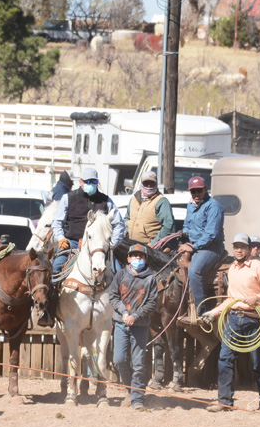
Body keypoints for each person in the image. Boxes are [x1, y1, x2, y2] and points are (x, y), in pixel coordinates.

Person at [203, 233, 260, 413]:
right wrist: (213, 313)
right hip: (233, 319)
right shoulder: (232, 269)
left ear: (249, 249)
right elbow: (231, 298)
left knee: (259, 362)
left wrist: (257, 297)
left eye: (242, 247)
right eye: (236, 247)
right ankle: (224, 401)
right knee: (225, 359)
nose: (238, 250)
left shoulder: (259, 267)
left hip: (254, 318)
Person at [107, 242, 158, 409]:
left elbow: (152, 303)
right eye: (135, 256)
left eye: (141, 256)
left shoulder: (150, 278)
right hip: (121, 324)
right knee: (119, 360)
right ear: (128, 259)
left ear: (146, 260)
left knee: (138, 363)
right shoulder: (120, 275)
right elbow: (113, 297)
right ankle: (131, 389)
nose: (138, 259)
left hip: (140, 326)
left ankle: (137, 399)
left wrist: (135, 316)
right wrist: (124, 313)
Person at [51, 165, 127, 276]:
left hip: (100, 245)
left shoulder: (106, 200)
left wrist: (112, 244)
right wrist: (61, 238)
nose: (91, 184)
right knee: (56, 267)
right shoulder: (68, 198)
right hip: (72, 243)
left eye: (94, 181)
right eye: (87, 181)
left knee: (118, 273)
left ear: (97, 182)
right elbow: (57, 222)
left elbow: (119, 224)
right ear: (81, 182)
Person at [182, 176, 225, 314]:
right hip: (192, 244)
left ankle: (202, 312)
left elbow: (211, 234)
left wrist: (194, 246)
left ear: (206, 189)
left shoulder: (214, 207)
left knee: (194, 272)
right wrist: (184, 233)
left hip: (210, 247)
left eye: (199, 191)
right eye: (193, 191)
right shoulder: (190, 205)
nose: (196, 194)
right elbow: (186, 224)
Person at [125, 170, 175, 246]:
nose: (149, 186)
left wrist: (154, 243)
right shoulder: (133, 199)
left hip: (150, 247)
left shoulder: (161, 201)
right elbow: (127, 218)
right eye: (146, 183)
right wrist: (128, 230)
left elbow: (168, 226)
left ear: (156, 184)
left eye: (152, 183)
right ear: (141, 183)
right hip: (131, 244)